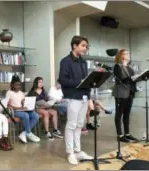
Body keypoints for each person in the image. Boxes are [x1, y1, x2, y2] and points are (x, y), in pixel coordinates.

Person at [58, 35, 93, 165]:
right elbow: (63, 80)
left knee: (79, 125)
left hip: (84, 97)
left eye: (86, 46)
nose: (85, 48)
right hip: (73, 97)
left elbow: (87, 81)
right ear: (74, 45)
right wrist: (79, 82)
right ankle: (70, 152)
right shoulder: (65, 61)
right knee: (71, 125)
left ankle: (78, 151)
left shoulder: (83, 62)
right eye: (83, 45)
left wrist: (89, 98)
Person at [6, 75, 40, 143]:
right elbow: (8, 105)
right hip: (14, 111)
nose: (18, 86)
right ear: (12, 85)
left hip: (23, 110)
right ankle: (29, 133)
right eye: (16, 85)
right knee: (26, 115)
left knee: (35, 115)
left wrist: (30, 107)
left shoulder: (21, 93)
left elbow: (23, 102)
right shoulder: (9, 93)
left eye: (19, 85)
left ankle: (24, 133)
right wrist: (20, 108)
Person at [112, 49, 137, 143]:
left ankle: (127, 133)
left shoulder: (129, 67)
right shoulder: (117, 66)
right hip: (121, 93)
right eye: (125, 53)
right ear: (120, 55)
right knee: (119, 114)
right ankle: (120, 135)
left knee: (127, 114)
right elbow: (121, 79)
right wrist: (131, 78)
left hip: (130, 92)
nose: (128, 55)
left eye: (128, 53)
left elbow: (132, 79)